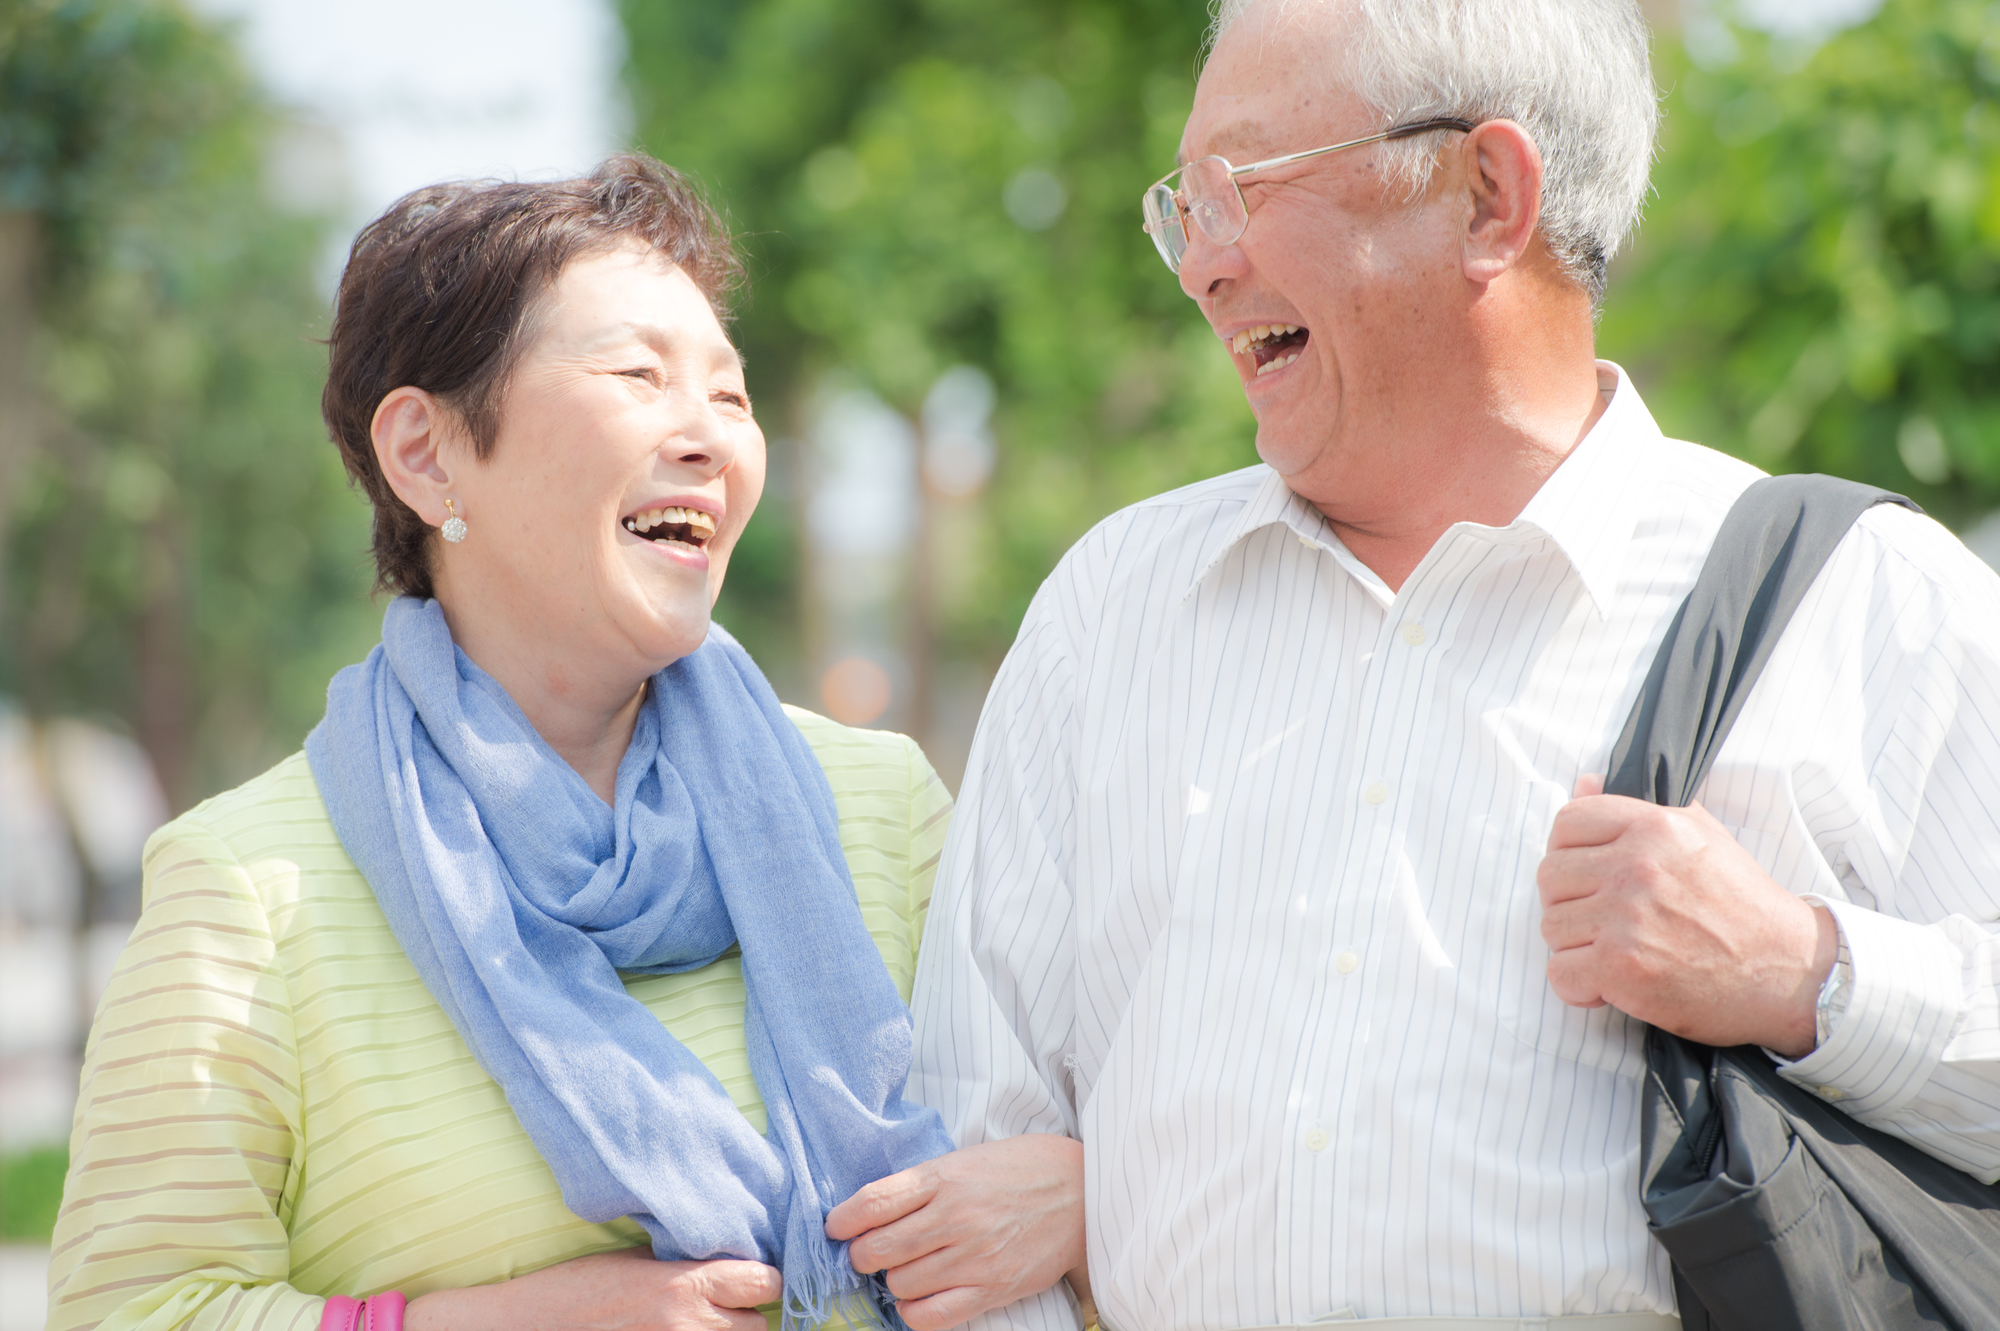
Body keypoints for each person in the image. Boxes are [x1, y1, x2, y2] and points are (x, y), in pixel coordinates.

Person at [835, 1, 2000, 1328]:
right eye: (1184, 208)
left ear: (1489, 194)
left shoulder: (1855, 600)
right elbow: (978, 1180)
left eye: (1240, 191)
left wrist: (1809, 972)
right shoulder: (1114, 608)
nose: (1198, 265)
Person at [45, 155, 1019, 1331]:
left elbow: (1045, 1178)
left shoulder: (884, 810)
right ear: (426, 453)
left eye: (730, 392)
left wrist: (1077, 1192)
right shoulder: (250, 887)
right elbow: (130, 1309)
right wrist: (494, 1320)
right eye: (638, 375)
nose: (710, 435)